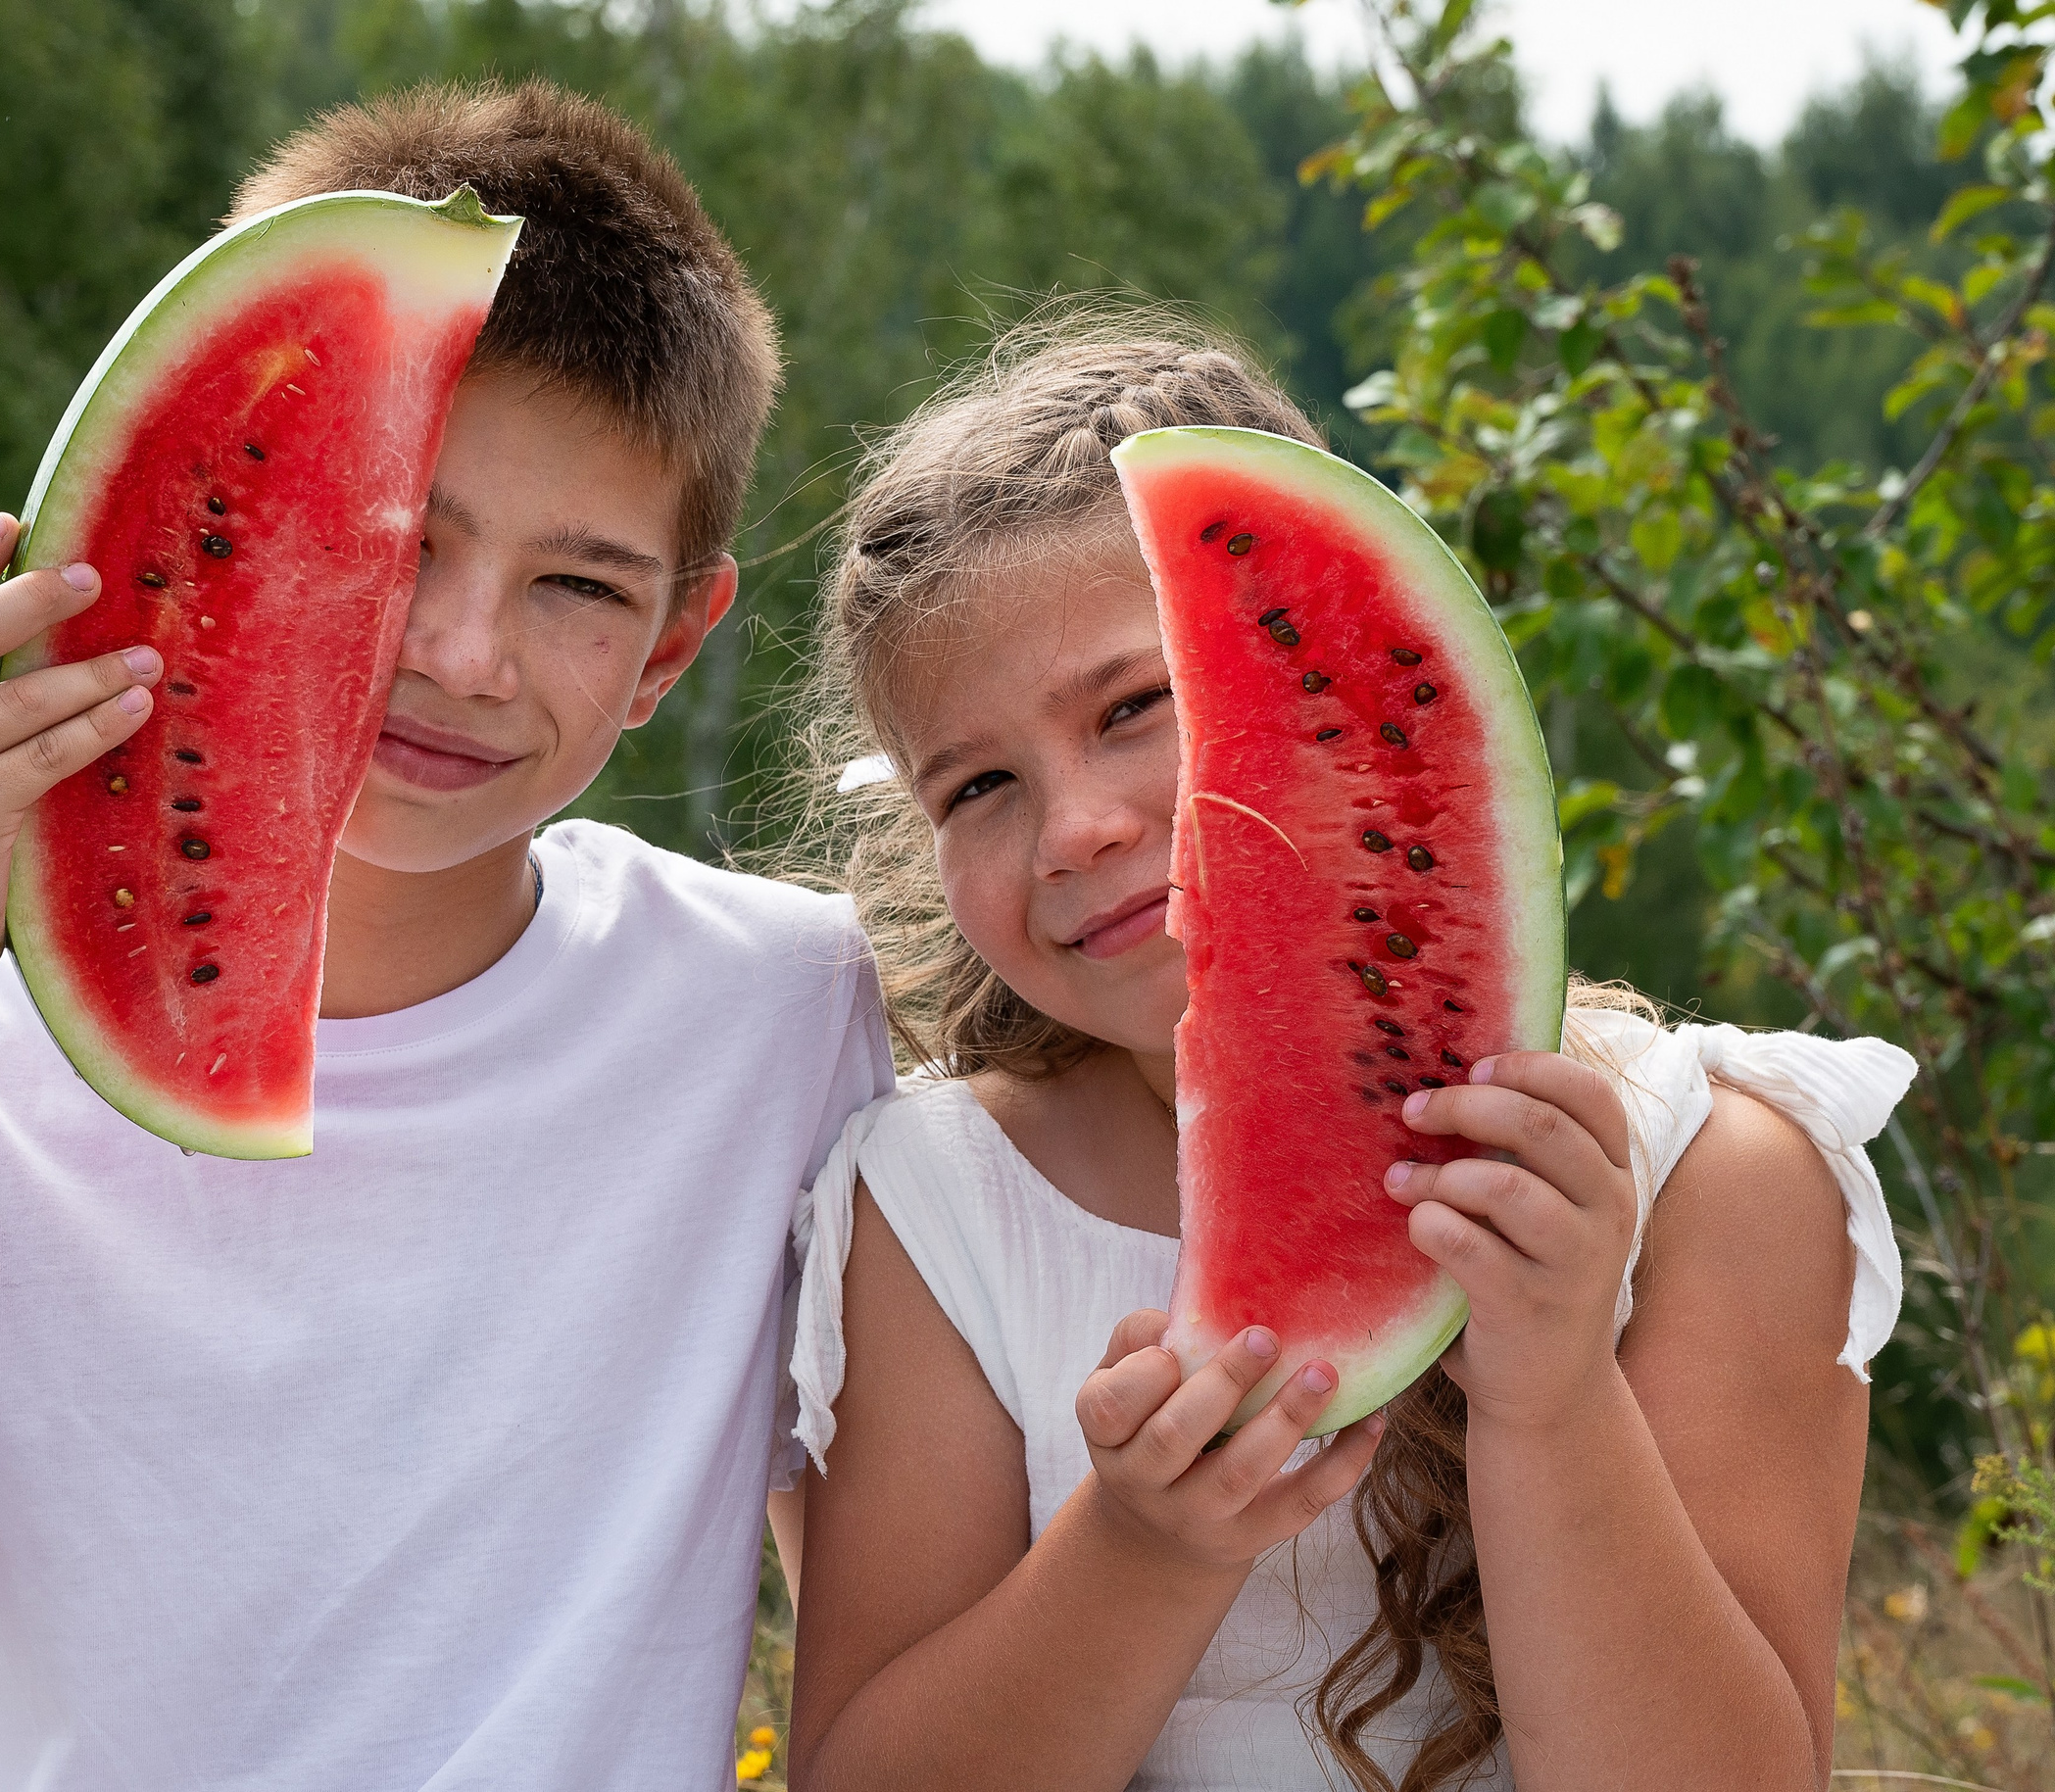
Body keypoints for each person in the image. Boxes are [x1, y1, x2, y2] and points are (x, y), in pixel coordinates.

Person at [0, 82, 886, 1788]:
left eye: (577, 585)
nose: (463, 652)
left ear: (673, 646)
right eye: (389, 540)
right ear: (228, 539)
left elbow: (889, 1679)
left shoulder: (786, 1013)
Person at [773, 309, 1917, 1792]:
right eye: (978, 784)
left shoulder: (1716, 1170)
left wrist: (1554, 1393)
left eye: (1134, 707)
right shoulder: (932, 1209)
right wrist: (1138, 1549)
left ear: (1340, 700)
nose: (1075, 829)